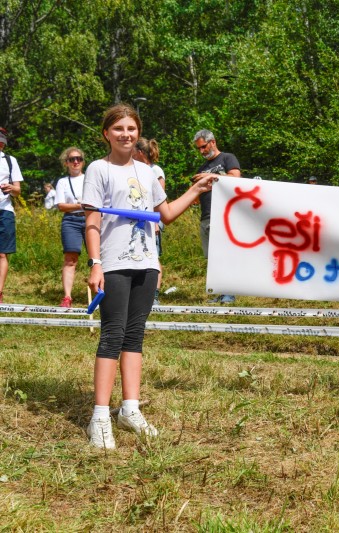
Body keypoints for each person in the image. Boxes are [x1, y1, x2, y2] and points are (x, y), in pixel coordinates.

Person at [82, 103, 216, 449]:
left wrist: (198, 190)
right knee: (112, 334)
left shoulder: (147, 172)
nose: (126, 134)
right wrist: (95, 263)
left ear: (138, 133)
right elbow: (93, 221)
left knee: (135, 335)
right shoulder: (98, 169)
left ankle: (130, 409)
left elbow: (165, 215)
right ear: (106, 134)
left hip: (146, 263)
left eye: (131, 128)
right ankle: (99, 416)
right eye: (118, 129)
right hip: (113, 263)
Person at [191, 129, 241, 304]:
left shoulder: (227, 158)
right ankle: (220, 292)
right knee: (212, 258)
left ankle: (230, 293)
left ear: (213, 142)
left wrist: (211, 176)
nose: (202, 151)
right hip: (206, 216)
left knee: (225, 254)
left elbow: (236, 178)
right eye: (199, 149)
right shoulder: (201, 168)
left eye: (203, 147)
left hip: (224, 215)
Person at [134, 138, 166, 306]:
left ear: (139, 152)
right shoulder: (135, 169)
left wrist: (155, 223)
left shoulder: (156, 170)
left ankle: (154, 294)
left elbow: (159, 200)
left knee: (154, 256)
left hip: (152, 220)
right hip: (139, 220)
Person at [54, 147, 87, 307]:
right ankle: (67, 297)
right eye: (72, 159)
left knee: (98, 258)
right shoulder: (62, 182)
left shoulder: (89, 178)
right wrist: (78, 205)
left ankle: (103, 293)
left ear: (83, 161)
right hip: (71, 221)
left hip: (90, 219)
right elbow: (61, 206)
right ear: (66, 163)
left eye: (79, 159)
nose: (76, 162)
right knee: (70, 259)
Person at [0, 126, 23, 304]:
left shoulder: (10, 161)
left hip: (5, 211)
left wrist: (11, 188)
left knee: (2, 254)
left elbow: (17, 190)